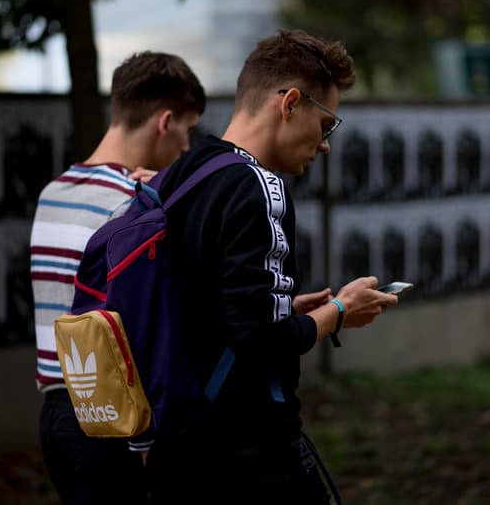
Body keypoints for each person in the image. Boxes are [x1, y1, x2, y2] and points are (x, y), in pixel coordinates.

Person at [145, 29, 399, 504]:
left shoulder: (182, 173)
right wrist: (339, 311)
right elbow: (258, 343)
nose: (324, 146)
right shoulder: (258, 187)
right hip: (250, 453)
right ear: (291, 103)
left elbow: (199, 303)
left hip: (174, 449)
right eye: (327, 125)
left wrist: (286, 307)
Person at [29, 50, 205, 504]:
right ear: (165, 121)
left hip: (57, 417)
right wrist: (144, 442)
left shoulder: (53, 191)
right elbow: (140, 327)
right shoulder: (134, 204)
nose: (186, 147)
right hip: (115, 422)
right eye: (187, 129)